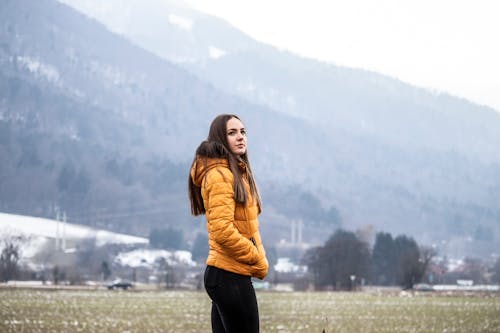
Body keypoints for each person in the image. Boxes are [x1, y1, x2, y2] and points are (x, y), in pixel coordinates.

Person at [188, 114, 269, 333]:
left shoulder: (236, 173)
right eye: (232, 133)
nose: (240, 137)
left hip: (228, 274)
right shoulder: (220, 175)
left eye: (243, 132)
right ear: (219, 139)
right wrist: (255, 255)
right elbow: (222, 230)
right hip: (229, 275)